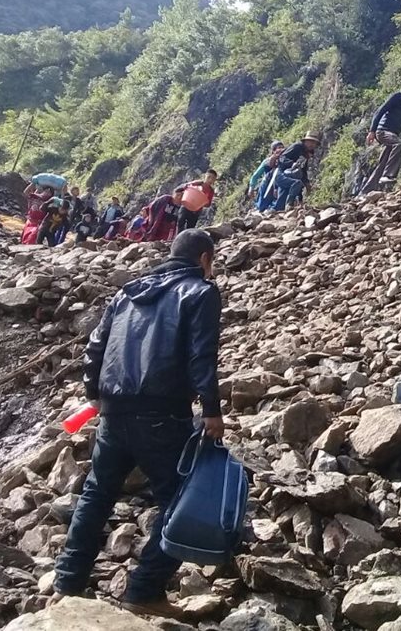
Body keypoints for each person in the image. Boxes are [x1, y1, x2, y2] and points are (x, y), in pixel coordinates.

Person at [53, 229, 223, 618]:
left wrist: (94, 394)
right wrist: (212, 410)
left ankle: (67, 584)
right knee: (180, 499)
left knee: (97, 494)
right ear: (204, 259)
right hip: (163, 413)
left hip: (113, 411)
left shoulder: (128, 291)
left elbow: (96, 345)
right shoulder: (200, 292)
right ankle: (144, 589)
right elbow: (201, 357)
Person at [361, 80, 401, 194]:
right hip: (382, 132)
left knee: (382, 164)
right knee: (400, 144)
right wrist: (372, 131)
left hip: (392, 136)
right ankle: (388, 175)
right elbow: (379, 112)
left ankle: (365, 193)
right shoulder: (397, 97)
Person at [270, 133, 320, 211]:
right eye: (311, 142)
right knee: (297, 183)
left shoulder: (306, 154)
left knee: (280, 206)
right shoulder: (297, 147)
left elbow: (302, 170)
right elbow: (282, 158)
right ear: (305, 141)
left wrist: (307, 184)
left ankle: (278, 213)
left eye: (314, 143)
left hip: (290, 175)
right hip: (281, 174)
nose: (312, 145)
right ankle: (289, 205)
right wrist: (292, 163)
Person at [247, 141, 284, 210]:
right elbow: (256, 175)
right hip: (267, 185)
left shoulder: (284, 160)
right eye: (279, 148)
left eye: (282, 148)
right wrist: (251, 188)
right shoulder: (267, 161)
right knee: (262, 206)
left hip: (279, 184)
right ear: (273, 151)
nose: (281, 150)